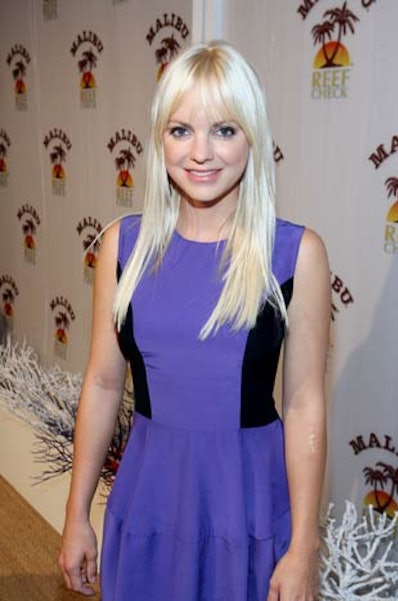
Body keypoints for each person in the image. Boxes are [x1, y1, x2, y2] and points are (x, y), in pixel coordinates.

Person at [58, 40, 330, 601]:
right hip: (149, 497)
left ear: (253, 137)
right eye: (181, 130)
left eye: (225, 130)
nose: (201, 152)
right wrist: (76, 514)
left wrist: (304, 549)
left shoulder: (296, 254)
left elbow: (305, 403)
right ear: (160, 138)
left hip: (248, 506)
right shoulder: (121, 247)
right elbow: (105, 384)